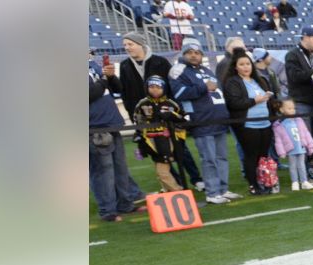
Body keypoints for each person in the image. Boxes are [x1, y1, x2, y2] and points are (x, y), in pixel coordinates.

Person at [119, 31, 204, 190]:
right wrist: (135, 120)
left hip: (168, 114)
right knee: (158, 152)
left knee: (180, 149)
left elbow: (172, 87)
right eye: (125, 45)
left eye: (130, 44)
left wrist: (175, 111)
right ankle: (175, 183)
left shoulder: (160, 62)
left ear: (141, 44)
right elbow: (126, 95)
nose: (127, 48)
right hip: (147, 119)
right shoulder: (124, 66)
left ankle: (196, 179)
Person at [171, 37, 240, 204]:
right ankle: (212, 192)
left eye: (197, 53)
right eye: (190, 52)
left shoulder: (206, 70)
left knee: (221, 157)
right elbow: (178, 94)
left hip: (218, 119)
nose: (194, 56)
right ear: (184, 53)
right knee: (209, 158)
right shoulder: (178, 70)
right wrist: (203, 87)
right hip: (202, 120)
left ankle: (222, 189)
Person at [90, 60, 146, 222]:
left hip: (112, 123)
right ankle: (107, 210)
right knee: (103, 171)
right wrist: (104, 79)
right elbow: (88, 94)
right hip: (94, 127)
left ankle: (125, 204)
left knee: (120, 167)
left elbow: (117, 89)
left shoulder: (92, 65)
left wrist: (112, 76)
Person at [221, 49, 276, 194]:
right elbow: (234, 103)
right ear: (235, 67)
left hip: (265, 123)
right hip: (247, 125)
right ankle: (253, 185)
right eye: (242, 64)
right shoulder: (232, 82)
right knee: (251, 155)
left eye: (248, 64)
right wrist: (255, 100)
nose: (246, 67)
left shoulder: (259, 80)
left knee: (263, 155)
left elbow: (269, 100)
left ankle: (265, 180)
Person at [284, 27, 313, 149]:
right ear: (305, 38)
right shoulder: (292, 55)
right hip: (301, 102)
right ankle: (305, 166)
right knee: (304, 138)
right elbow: (295, 76)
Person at [272, 99, 313, 190]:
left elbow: (306, 133)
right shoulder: (279, 124)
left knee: (302, 165)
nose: (292, 110)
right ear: (282, 110)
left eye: (293, 108)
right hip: (291, 149)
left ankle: (304, 181)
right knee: (292, 166)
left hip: (301, 147)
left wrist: (310, 145)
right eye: (289, 108)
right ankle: (295, 182)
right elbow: (278, 139)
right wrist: (281, 152)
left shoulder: (299, 120)